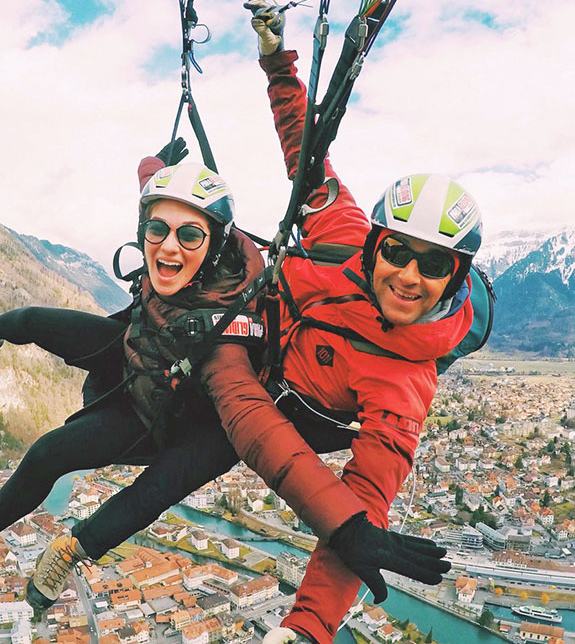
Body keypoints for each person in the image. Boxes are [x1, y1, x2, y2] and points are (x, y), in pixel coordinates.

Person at [0, 141, 448, 616]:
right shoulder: (178, 239)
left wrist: (345, 526)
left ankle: (70, 551)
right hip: (146, 348)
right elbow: (156, 190)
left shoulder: (227, 332)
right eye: (156, 230)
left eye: (189, 237)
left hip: (183, 409)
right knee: (28, 320)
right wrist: (158, 167)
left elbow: (257, 429)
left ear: (213, 245)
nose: (169, 246)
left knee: (76, 460)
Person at [195, 0, 484, 644]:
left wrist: (307, 628)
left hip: (261, 405)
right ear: (373, 244)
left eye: (433, 265)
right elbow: (305, 147)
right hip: (238, 343)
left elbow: (361, 505)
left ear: (454, 279)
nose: (408, 276)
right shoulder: (340, 229)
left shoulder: (402, 384)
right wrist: (275, 60)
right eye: (398, 252)